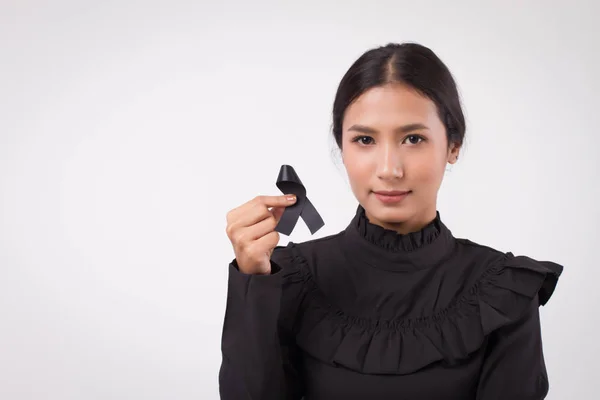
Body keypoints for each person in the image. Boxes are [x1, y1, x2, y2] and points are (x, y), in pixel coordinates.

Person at [218, 42, 563, 400]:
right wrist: (253, 282)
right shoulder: (284, 277)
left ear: (454, 145)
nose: (389, 170)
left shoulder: (502, 292)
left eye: (413, 139)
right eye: (364, 139)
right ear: (342, 147)